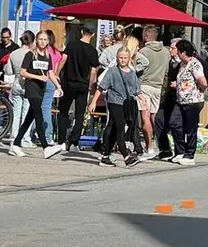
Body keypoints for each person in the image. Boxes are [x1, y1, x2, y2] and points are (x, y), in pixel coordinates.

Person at [8, 30, 60, 158]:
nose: (42, 42)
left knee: (28, 118)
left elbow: (50, 73)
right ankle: (46, 147)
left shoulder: (47, 56)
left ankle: (15, 145)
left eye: (45, 39)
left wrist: (58, 86)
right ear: (36, 40)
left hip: (41, 89)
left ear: (48, 42)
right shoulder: (30, 54)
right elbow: (23, 72)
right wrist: (38, 77)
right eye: (40, 39)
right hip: (31, 87)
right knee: (39, 115)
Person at [51, 24, 101, 158]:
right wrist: (90, 84)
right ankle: (74, 141)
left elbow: (63, 59)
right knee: (79, 115)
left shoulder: (72, 45)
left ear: (82, 32)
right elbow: (93, 71)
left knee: (63, 112)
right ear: (93, 35)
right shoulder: (92, 51)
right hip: (82, 85)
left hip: (68, 83)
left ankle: (61, 140)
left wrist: (57, 73)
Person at [90, 48, 143, 167]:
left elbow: (136, 89)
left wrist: (142, 98)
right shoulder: (112, 71)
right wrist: (93, 102)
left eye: (125, 58)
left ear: (129, 59)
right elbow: (101, 87)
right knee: (120, 128)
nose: (123, 60)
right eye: (120, 57)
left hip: (126, 104)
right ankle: (126, 157)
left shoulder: (132, 73)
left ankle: (105, 156)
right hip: (114, 102)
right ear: (117, 58)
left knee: (114, 128)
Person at [168, 38, 208, 166]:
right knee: (174, 123)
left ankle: (190, 154)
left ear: (183, 53)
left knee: (190, 127)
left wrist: (199, 90)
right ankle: (180, 151)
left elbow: (203, 82)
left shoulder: (194, 64)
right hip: (181, 100)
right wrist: (178, 84)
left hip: (193, 101)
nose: (177, 54)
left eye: (179, 52)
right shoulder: (182, 65)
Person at [134, 26, 169, 159]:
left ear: (147, 36)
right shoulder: (165, 52)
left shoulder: (143, 51)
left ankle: (149, 147)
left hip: (144, 85)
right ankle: (162, 145)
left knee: (145, 117)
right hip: (158, 86)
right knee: (155, 117)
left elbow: (137, 68)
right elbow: (167, 71)